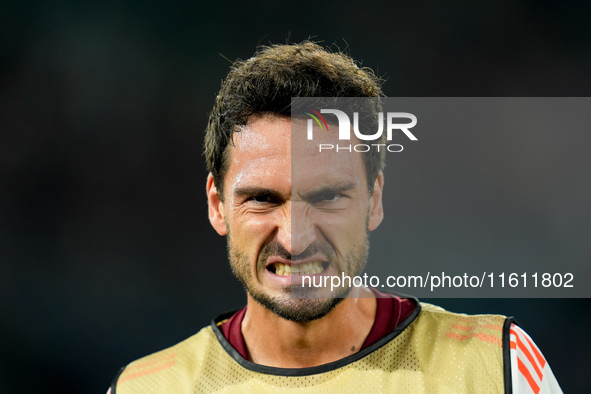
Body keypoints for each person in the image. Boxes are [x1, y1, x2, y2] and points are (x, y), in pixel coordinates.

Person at [108, 42, 562, 393]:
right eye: (263, 199)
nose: (294, 237)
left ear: (374, 200)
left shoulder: (496, 368)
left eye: (326, 198)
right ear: (216, 204)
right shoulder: (146, 387)